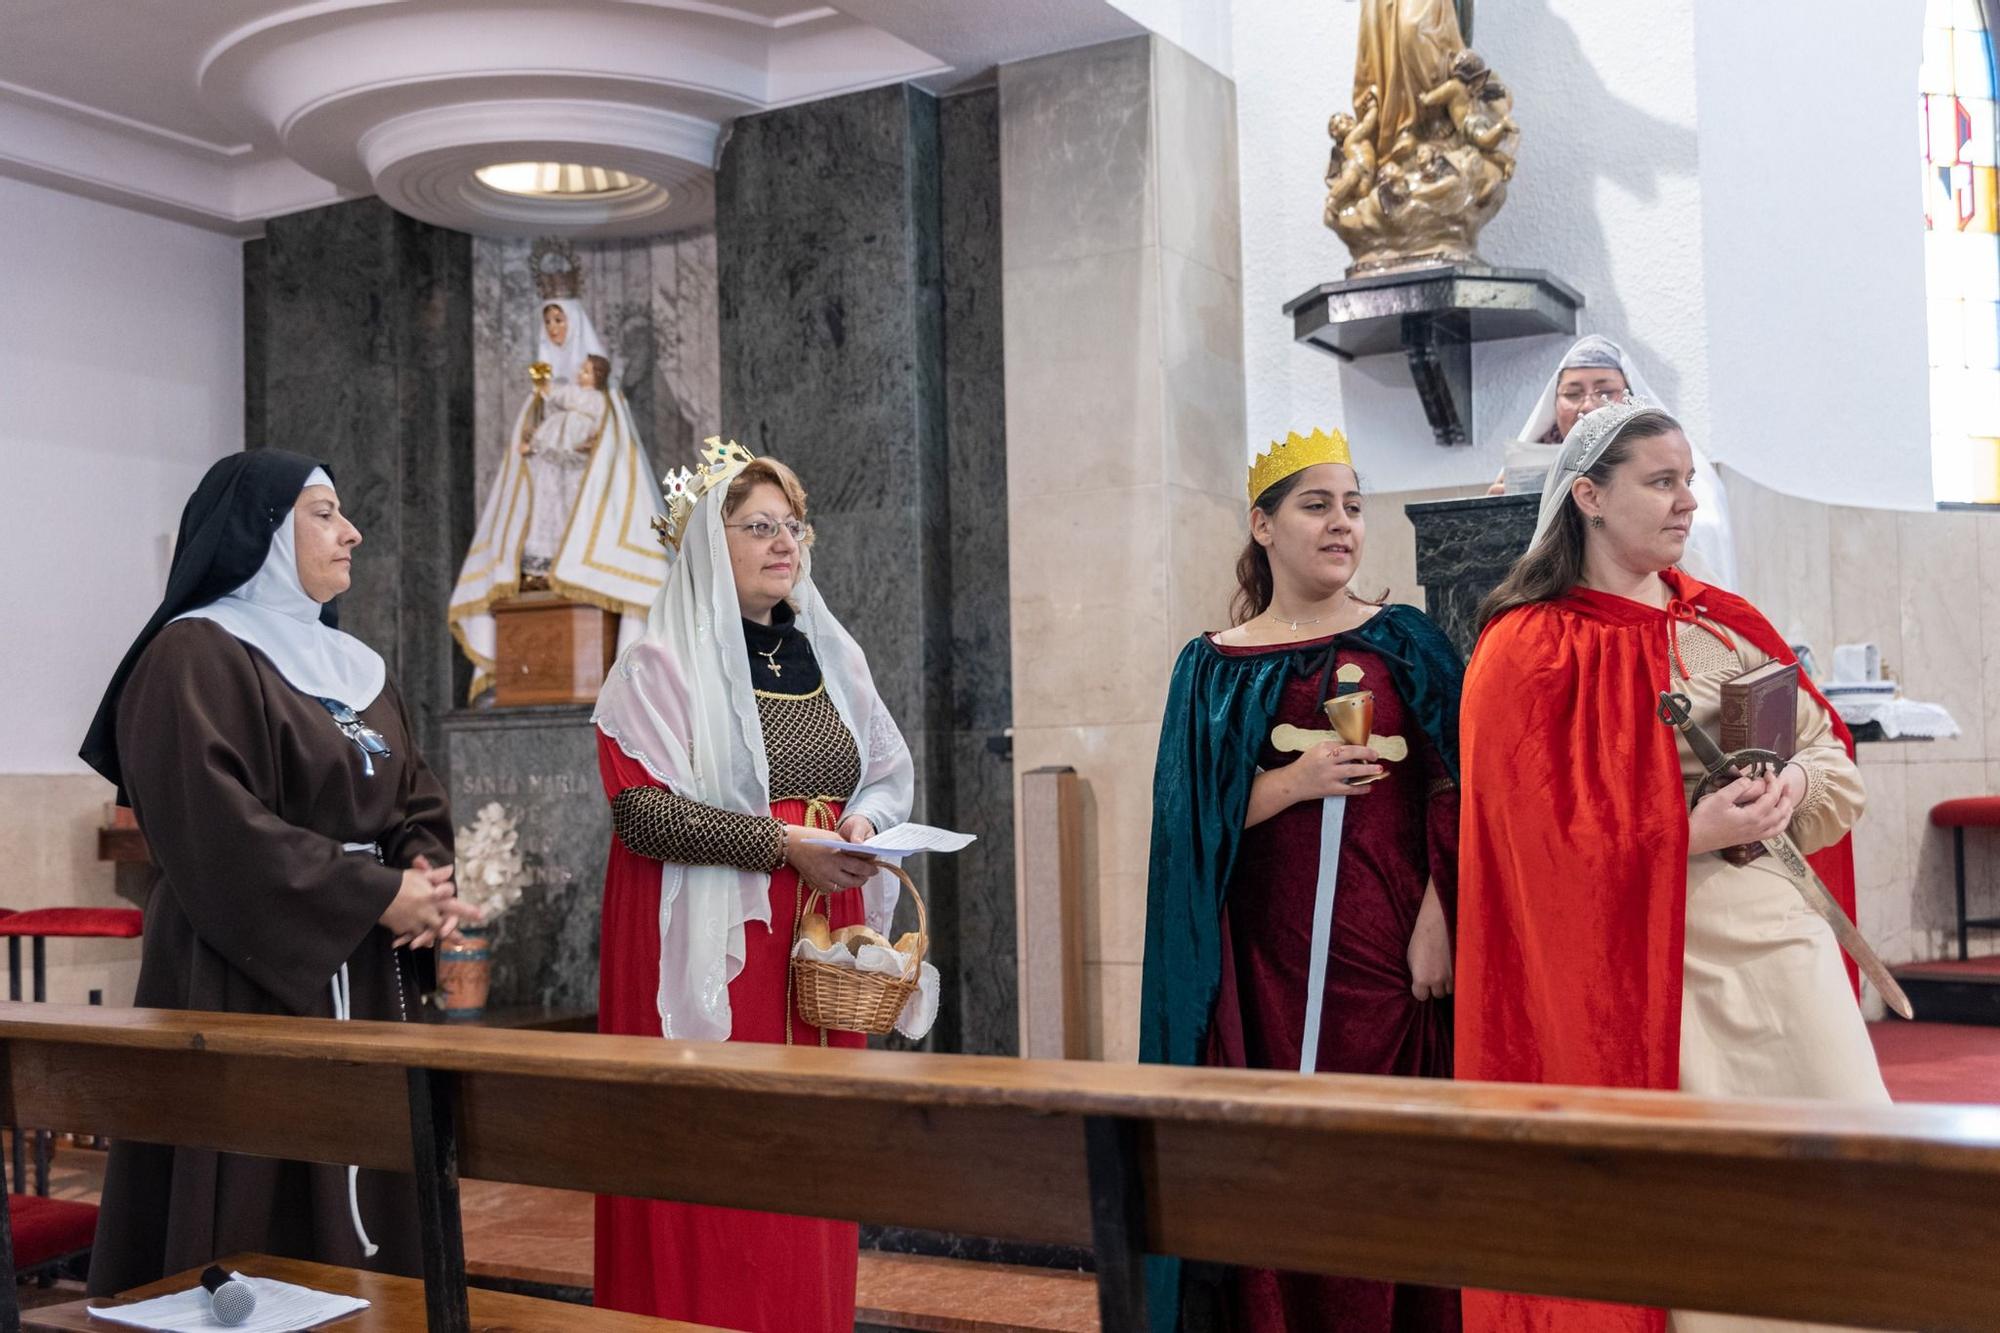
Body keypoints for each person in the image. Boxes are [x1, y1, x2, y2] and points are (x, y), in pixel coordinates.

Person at [1455, 402, 1883, 1333]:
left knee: (1842, 1162)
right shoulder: (1526, 648)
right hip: (1650, 960)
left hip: (1778, 938)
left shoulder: (1724, 626)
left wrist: (1793, 782)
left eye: (1690, 480)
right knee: (1712, 1192)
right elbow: (1524, 842)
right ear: (1589, 497)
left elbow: (1830, 756)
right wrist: (1683, 832)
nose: (1689, 501)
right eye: (1663, 481)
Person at [78, 450, 478, 1294]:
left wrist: (424, 881)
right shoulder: (191, 658)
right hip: (241, 974)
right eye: (325, 512)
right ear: (261, 531)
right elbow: (218, 833)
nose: (352, 532)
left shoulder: (357, 668)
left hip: (365, 974)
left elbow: (414, 797)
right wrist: (376, 896)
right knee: (254, 1196)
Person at [1141, 428, 1464, 1333]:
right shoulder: (1212, 665)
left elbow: (1460, 787)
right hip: (1261, 971)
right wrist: (1293, 782)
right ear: (1263, 524)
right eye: (1317, 505)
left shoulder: (1406, 643)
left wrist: (1441, 912)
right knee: (1273, 1160)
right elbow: (1184, 824)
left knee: (1381, 1163)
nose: (1341, 525)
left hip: (1389, 964)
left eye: (1354, 507)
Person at [590, 439, 914, 1331]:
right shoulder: (657, 663)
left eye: (793, 526)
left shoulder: (833, 657)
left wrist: (863, 825)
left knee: (809, 1161)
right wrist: (785, 844)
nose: (785, 542)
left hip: (820, 939)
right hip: (721, 941)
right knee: (719, 1168)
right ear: (704, 539)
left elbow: (885, 770)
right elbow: (645, 815)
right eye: (758, 525)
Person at [449, 297, 664, 697]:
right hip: (548, 477)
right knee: (544, 522)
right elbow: (526, 442)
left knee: (576, 525)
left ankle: (578, 570)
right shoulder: (542, 393)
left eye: (559, 320)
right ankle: (541, 572)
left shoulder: (599, 394)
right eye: (547, 320)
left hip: (585, 484)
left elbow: (612, 447)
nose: (553, 328)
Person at [1487, 334, 1737, 588]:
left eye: (1605, 391)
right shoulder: (1525, 469)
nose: (1587, 405)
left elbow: (1706, 535)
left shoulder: (1669, 461)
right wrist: (1503, 513)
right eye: (1572, 393)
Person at [518, 350, 612, 585]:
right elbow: (555, 395)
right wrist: (542, 384)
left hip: (576, 461)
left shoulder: (598, 400)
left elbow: (602, 424)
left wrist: (593, 441)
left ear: (598, 376)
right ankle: (544, 563)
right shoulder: (572, 394)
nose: (581, 374)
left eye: (587, 371)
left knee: (573, 505)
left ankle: (574, 562)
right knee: (548, 503)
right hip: (552, 458)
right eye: (581, 369)